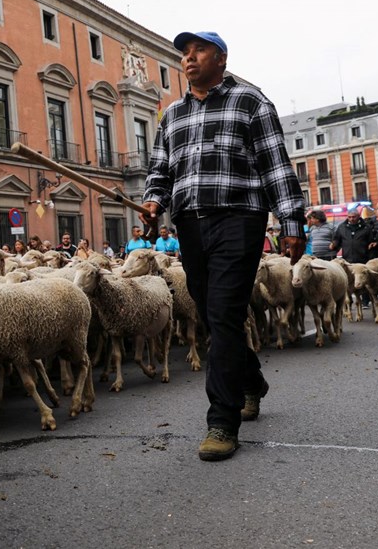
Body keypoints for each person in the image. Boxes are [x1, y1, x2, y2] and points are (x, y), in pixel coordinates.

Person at [142, 30, 306, 462]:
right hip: (190, 224)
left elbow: (275, 164)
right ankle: (251, 381)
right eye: (185, 53)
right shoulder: (172, 114)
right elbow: (160, 168)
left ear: (221, 57)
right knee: (216, 317)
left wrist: (291, 221)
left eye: (199, 51)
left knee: (224, 311)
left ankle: (222, 421)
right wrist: (154, 199)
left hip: (239, 218)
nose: (189, 58)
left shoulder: (250, 102)